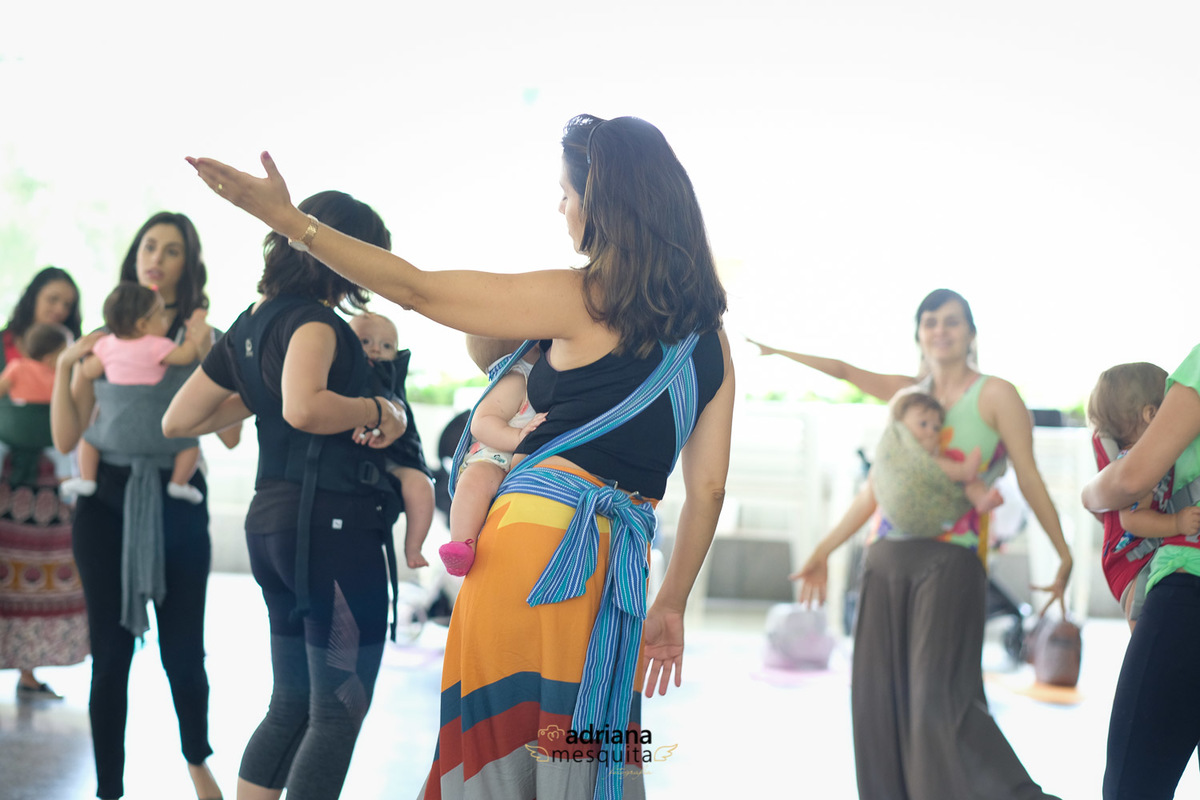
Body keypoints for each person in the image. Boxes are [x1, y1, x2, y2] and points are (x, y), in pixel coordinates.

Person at [186, 112, 734, 800]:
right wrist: (672, 604)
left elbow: (417, 290)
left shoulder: (575, 295)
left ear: (604, 203)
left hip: (530, 549)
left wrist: (292, 221)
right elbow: (708, 489)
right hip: (617, 573)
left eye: (566, 194)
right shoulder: (710, 339)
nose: (560, 208)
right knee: (586, 750)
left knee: (496, 758)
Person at [766, 288, 1070, 799]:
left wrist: (1063, 552)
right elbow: (874, 486)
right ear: (918, 334)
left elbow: (1031, 477)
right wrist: (823, 549)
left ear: (971, 332)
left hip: (950, 562)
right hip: (885, 559)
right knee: (875, 702)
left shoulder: (995, 394)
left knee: (938, 701)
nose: (940, 330)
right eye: (930, 322)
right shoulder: (909, 397)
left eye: (952, 321)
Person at [162, 190, 410, 800]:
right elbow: (304, 409)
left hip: (271, 526)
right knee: (338, 708)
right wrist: (380, 407)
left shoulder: (251, 322)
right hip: (330, 531)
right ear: (341, 252)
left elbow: (179, 419)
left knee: (293, 702)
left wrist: (258, 393)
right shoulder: (316, 322)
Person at [50, 213, 233, 800]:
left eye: (172, 250)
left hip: (176, 498)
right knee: (110, 651)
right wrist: (63, 369)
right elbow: (65, 437)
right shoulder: (103, 341)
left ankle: (198, 760)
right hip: (105, 500)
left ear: (190, 264)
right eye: (149, 246)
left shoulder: (202, 338)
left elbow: (228, 435)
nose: (156, 257)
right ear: (134, 257)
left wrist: (208, 361)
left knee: (184, 649)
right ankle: (109, 789)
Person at [1083, 345, 1200, 799]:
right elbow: (1131, 500)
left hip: (1182, 584)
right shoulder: (1142, 464)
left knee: (1135, 778)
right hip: (1169, 576)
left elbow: (1122, 491)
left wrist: (1091, 495)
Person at [0, 266, 87, 700]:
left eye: (67, 305)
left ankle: (29, 672)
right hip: (5, 479)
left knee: (39, 575)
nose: (59, 309)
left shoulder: (71, 353)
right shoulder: (4, 345)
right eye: (53, 299)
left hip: (51, 484)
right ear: (33, 297)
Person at [61, 282, 204, 505]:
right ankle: (178, 483)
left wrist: (88, 352)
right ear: (143, 324)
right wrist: (193, 339)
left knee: (88, 441)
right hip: (159, 434)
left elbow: (89, 371)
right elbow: (186, 357)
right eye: (161, 315)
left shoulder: (107, 345)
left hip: (113, 434)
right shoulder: (159, 345)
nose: (166, 320)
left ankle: (86, 479)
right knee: (190, 445)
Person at [1087, 362, 1199, 630]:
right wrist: (1177, 524)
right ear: (1151, 413)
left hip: (1136, 555)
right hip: (1131, 562)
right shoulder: (1138, 466)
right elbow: (1132, 519)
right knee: (1142, 617)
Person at [440, 335, 545, 576]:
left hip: (517, 466)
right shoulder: (517, 379)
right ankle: (461, 543)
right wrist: (517, 437)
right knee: (475, 482)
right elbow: (482, 423)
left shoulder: (539, 377)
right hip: (493, 458)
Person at [348, 311, 435, 569]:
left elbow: (394, 403)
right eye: (365, 341)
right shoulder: (342, 371)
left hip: (395, 457)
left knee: (422, 486)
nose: (376, 349)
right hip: (353, 457)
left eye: (386, 345)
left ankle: (414, 547)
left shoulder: (391, 375)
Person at [0, 322, 76, 481]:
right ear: (50, 359)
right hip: (50, 438)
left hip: (12, 434)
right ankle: (69, 492)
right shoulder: (61, 378)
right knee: (67, 455)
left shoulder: (17, 368)